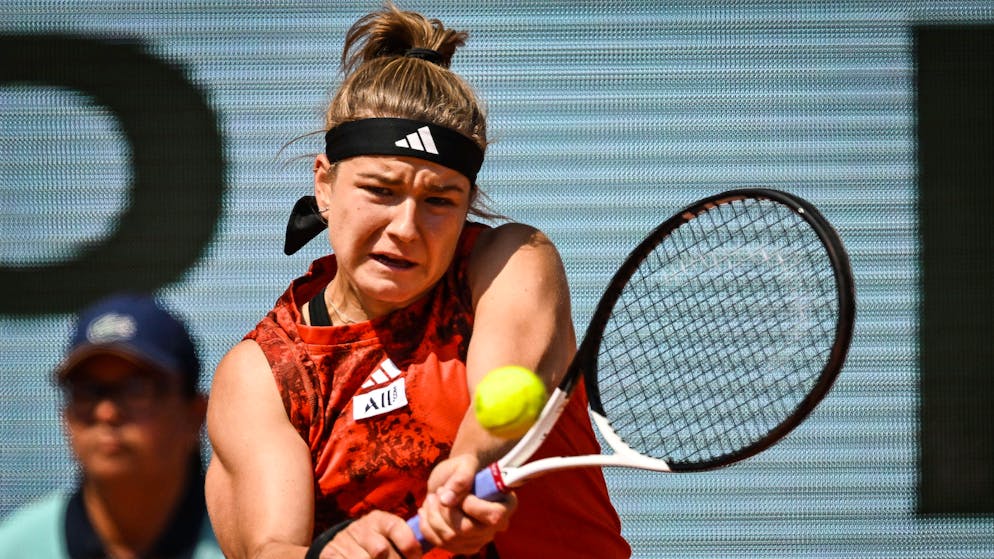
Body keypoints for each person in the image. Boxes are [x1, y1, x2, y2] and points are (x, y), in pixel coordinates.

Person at [204, 3, 632, 558]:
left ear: (467, 206)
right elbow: (271, 547)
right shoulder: (264, 376)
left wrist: (467, 466)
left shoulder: (509, 262)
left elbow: (506, 393)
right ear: (325, 185)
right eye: (381, 191)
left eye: (438, 201)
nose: (406, 228)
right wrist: (331, 554)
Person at [0, 293, 223, 559]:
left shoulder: (245, 545)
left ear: (195, 415)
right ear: (66, 417)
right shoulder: (14, 548)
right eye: (86, 391)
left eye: (137, 390)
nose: (106, 412)